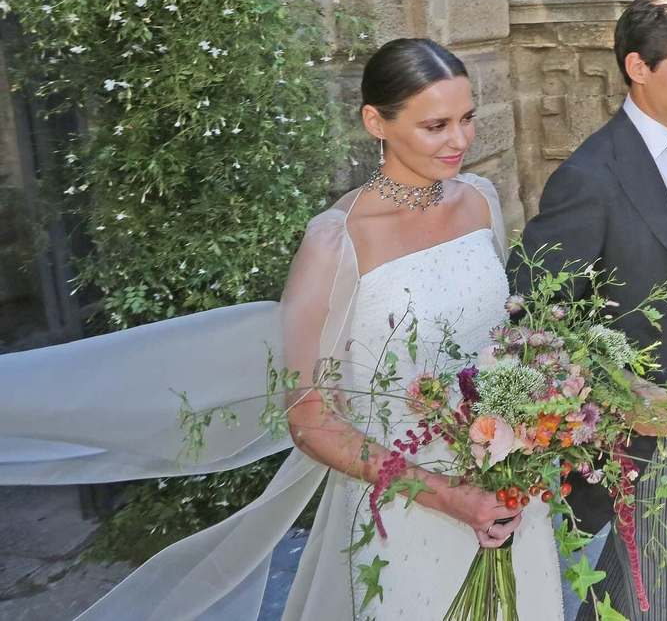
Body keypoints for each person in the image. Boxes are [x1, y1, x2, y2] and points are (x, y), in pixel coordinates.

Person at [0, 38, 569, 621]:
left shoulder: (480, 201)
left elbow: (499, 340)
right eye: (436, 125)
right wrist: (447, 496)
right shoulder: (334, 242)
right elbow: (311, 418)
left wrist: (547, 412)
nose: (460, 140)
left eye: (468, 118)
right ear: (376, 121)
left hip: (507, 483)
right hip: (406, 504)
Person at [516, 0, 667, 621]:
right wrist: (622, 394)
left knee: (638, 566)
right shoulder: (590, 174)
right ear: (638, 68)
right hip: (635, 413)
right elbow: (536, 315)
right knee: (663, 574)